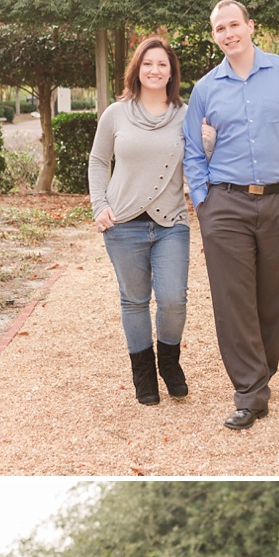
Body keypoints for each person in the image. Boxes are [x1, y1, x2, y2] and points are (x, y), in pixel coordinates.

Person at [183, 0, 279, 429]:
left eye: (234, 25)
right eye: (220, 28)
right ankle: (250, 392)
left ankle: (262, 375)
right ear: (214, 35)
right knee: (233, 297)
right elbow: (192, 150)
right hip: (225, 206)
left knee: (272, 296)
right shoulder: (206, 89)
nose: (228, 33)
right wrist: (204, 203)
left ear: (250, 26)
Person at [88, 37, 191, 407]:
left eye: (162, 64)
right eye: (148, 63)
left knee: (173, 299)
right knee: (134, 300)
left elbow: (200, 156)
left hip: (171, 223)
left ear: (171, 72)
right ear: (137, 68)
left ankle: (169, 363)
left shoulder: (185, 114)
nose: (155, 70)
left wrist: (209, 142)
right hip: (124, 224)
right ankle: (143, 375)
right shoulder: (116, 114)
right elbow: (99, 161)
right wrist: (99, 204)